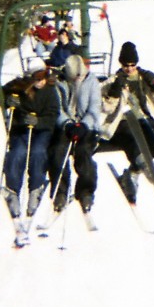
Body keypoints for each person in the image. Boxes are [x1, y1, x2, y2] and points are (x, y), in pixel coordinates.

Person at [101, 41, 154, 203]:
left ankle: (134, 171)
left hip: (145, 117)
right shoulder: (113, 81)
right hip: (123, 119)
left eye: (132, 64)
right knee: (131, 137)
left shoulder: (144, 78)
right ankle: (142, 164)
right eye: (126, 65)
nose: (129, 68)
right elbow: (106, 107)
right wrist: (114, 93)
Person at [0, 66, 60, 247]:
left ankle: (36, 187)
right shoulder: (19, 86)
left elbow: (53, 115)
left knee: (38, 152)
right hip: (20, 129)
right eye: (38, 79)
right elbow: (0, 94)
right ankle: (13, 189)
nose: (40, 82)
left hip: (41, 132)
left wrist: (39, 122)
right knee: (17, 153)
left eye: (43, 79)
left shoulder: (50, 92)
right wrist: (9, 100)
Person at [48, 55, 103, 216]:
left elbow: (95, 108)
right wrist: (67, 123)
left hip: (87, 126)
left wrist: (84, 124)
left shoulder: (92, 82)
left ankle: (86, 191)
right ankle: (61, 190)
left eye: (79, 77)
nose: (77, 80)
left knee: (84, 151)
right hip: (67, 125)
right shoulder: (59, 83)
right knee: (58, 150)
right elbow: (57, 108)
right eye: (73, 78)